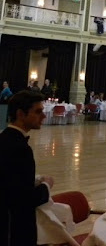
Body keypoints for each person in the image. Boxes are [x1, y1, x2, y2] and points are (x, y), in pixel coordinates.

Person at [0, 90, 54, 246]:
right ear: (20, 114)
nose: (43, 116)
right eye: (38, 112)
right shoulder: (20, 149)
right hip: (14, 228)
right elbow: (23, 199)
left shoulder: (4, 138)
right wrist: (46, 186)